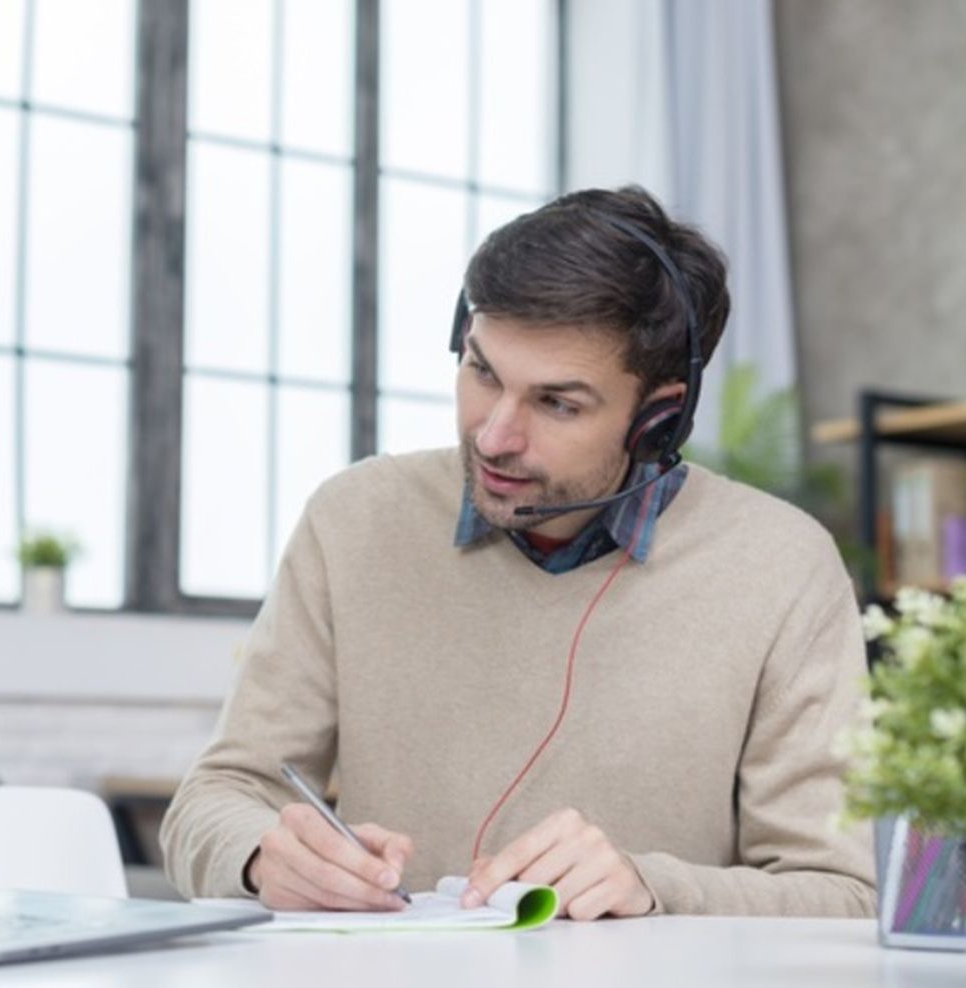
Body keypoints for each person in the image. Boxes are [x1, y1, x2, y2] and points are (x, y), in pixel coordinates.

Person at [159, 186, 876, 920]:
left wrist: (651, 888)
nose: (495, 435)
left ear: (656, 420)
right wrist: (260, 857)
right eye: (482, 372)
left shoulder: (782, 567)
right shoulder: (354, 520)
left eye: (557, 403)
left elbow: (843, 894)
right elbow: (215, 800)